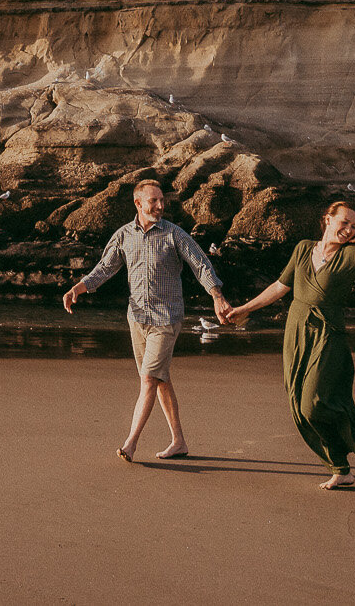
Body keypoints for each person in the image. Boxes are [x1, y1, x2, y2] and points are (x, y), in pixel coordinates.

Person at [224, 200, 355, 488]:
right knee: (298, 405)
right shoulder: (302, 248)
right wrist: (246, 308)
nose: (348, 230)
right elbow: (280, 287)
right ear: (327, 219)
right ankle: (341, 469)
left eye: (354, 226)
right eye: (344, 222)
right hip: (296, 331)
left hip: (328, 335)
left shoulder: (353, 254)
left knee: (312, 405)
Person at [62, 179, 232, 461]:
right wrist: (77, 288)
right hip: (137, 319)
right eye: (154, 201)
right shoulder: (124, 235)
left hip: (166, 319)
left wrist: (216, 296)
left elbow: (200, 263)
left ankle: (130, 443)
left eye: (162, 200)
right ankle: (179, 441)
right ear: (138, 204)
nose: (161, 206)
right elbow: (105, 268)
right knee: (160, 379)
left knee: (148, 379)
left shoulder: (174, 234)